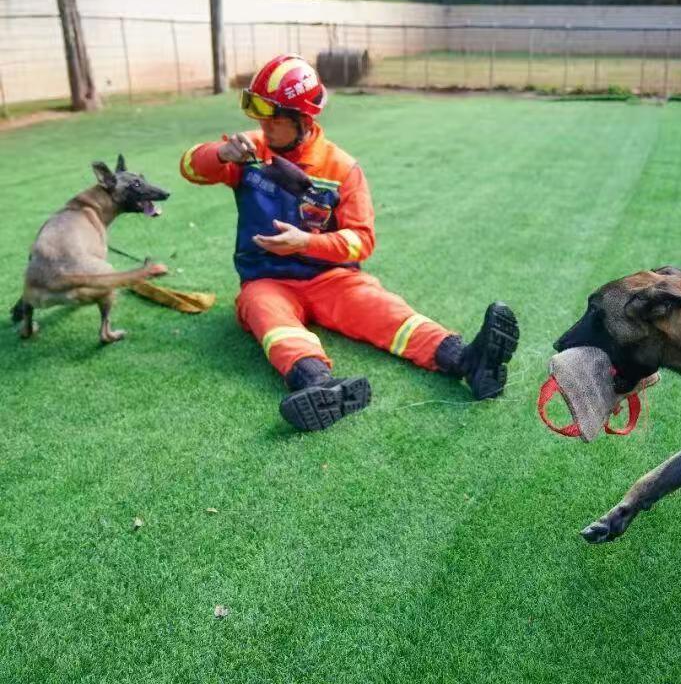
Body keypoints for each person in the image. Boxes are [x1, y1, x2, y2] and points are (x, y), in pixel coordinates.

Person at [180, 54, 519, 431]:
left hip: (333, 279)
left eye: (274, 117)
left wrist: (305, 243)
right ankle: (318, 384)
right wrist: (220, 154)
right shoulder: (248, 151)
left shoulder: (342, 168)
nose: (263, 124)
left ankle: (468, 360)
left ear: (304, 120)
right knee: (267, 314)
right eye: (259, 114)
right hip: (267, 280)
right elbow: (190, 167)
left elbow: (362, 241)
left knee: (385, 312)